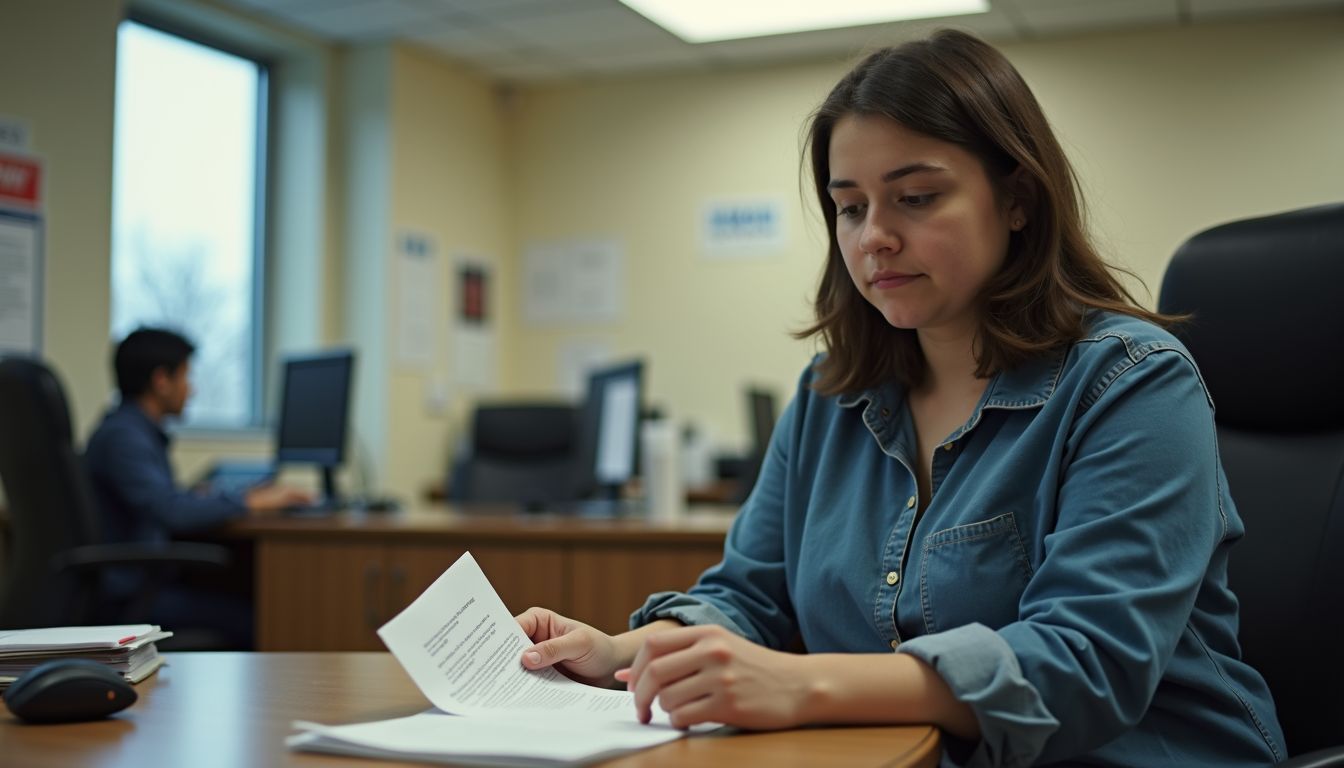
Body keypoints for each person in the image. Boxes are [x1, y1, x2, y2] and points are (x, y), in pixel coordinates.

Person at [511, 30, 1285, 767]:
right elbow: (751, 596)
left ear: (1016, 199)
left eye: (914, 197)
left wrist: (798, 685)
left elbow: (1086, 661)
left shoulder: (1133, 381)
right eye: (850, 207)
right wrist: (623, 652)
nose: (873, 237)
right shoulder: (831, 394)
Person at [84, 327, 311, 648]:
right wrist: (249, 501)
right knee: (258, 618)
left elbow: (161, 500)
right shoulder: (126, 437)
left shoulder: (130, 430)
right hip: (130, 597)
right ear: (161, 381)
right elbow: (171, 511)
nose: (191, 390)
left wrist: (206, 496)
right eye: (186, 377)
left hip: (136, 585)